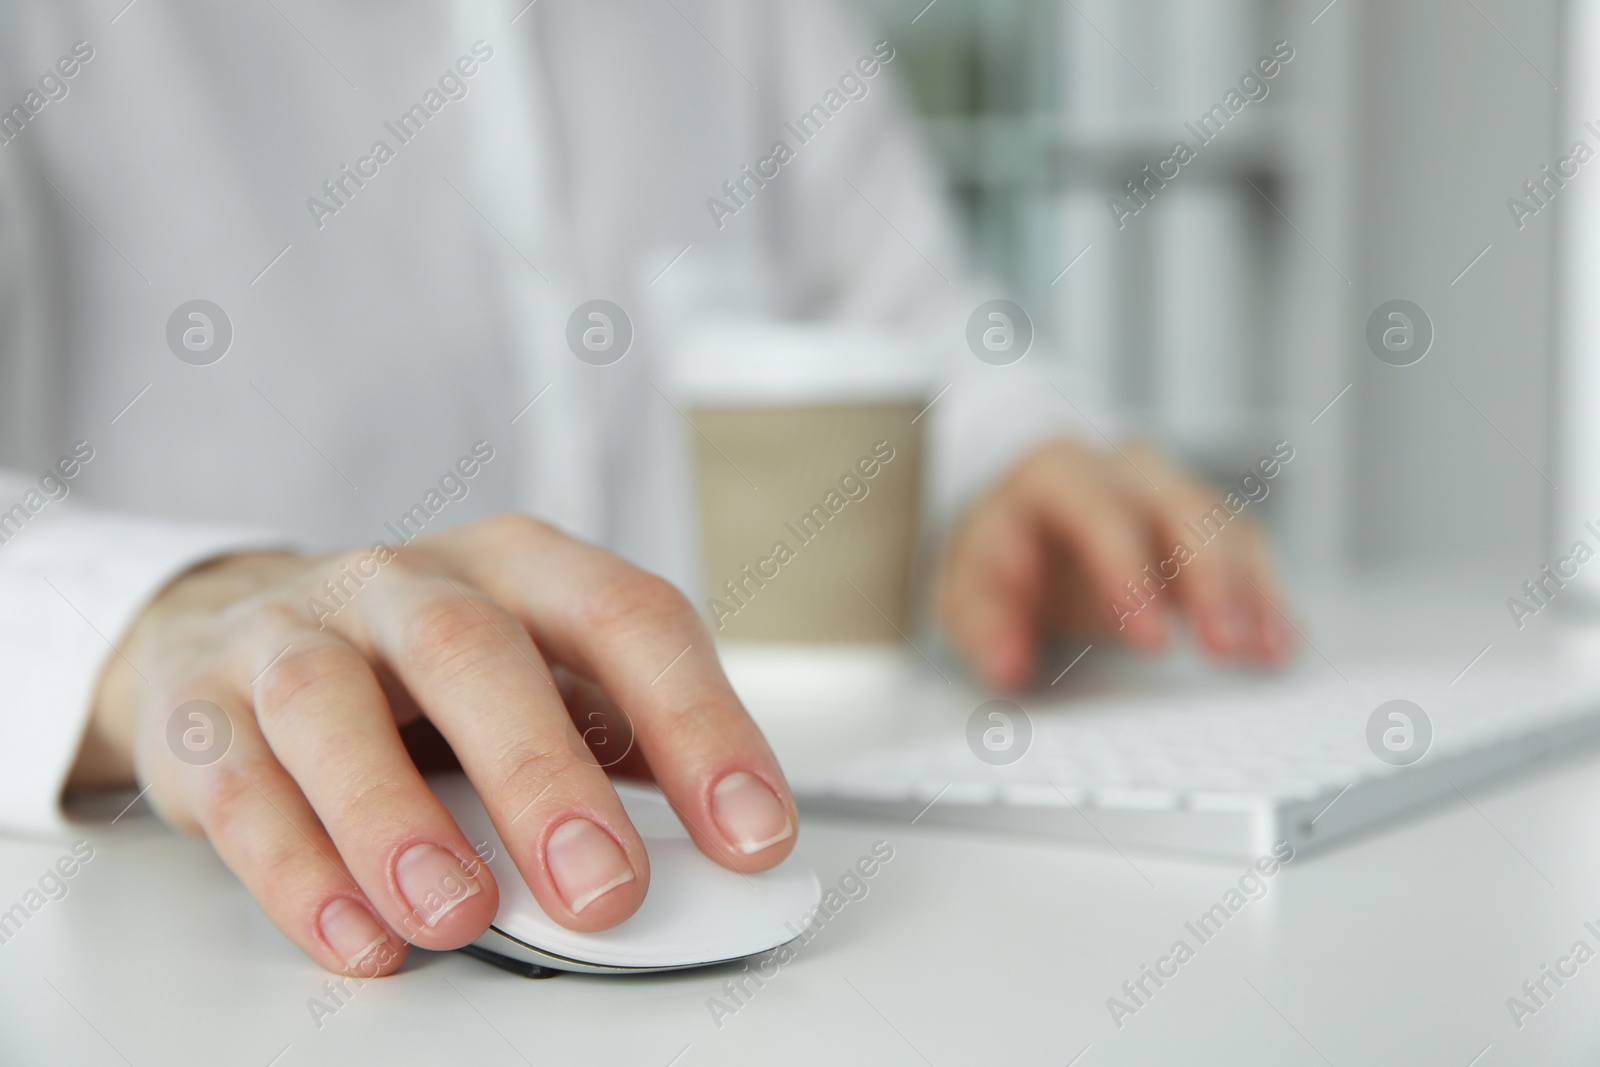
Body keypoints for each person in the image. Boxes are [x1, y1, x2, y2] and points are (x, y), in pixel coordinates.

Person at [0, 0, 1291, 976]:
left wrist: (1018, 460)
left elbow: (894, 300)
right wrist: (147, 620)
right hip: (151, 920)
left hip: (790, 796)